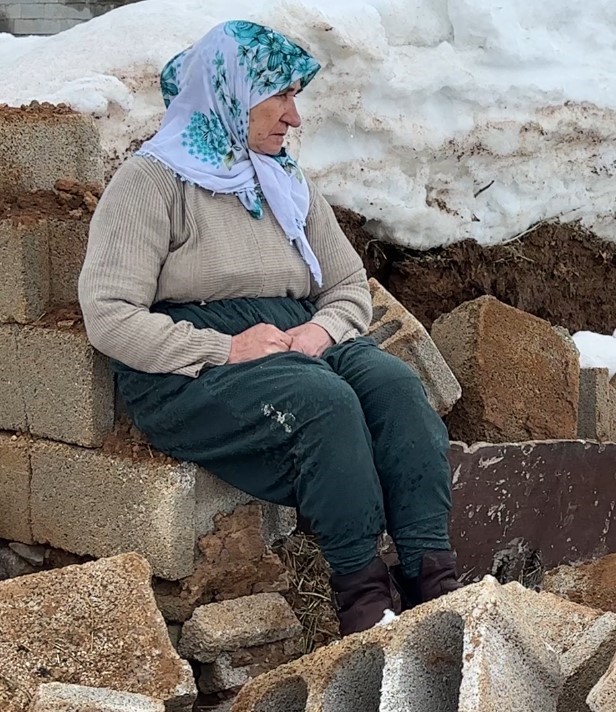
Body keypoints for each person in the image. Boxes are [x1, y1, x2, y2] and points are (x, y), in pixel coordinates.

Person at [77, 20, 460, 636]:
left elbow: (346, 284)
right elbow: (110, 315)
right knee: (324, 402)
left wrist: (322, 332)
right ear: (229, 91)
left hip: (293, 336)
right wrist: (225, 347)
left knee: (395, 387)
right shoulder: (151, 181)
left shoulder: (282, 178)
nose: (294, 117)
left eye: (294, 97)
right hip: (189, 362)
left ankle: (432, 577)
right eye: (278, 95)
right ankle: (363, 597)